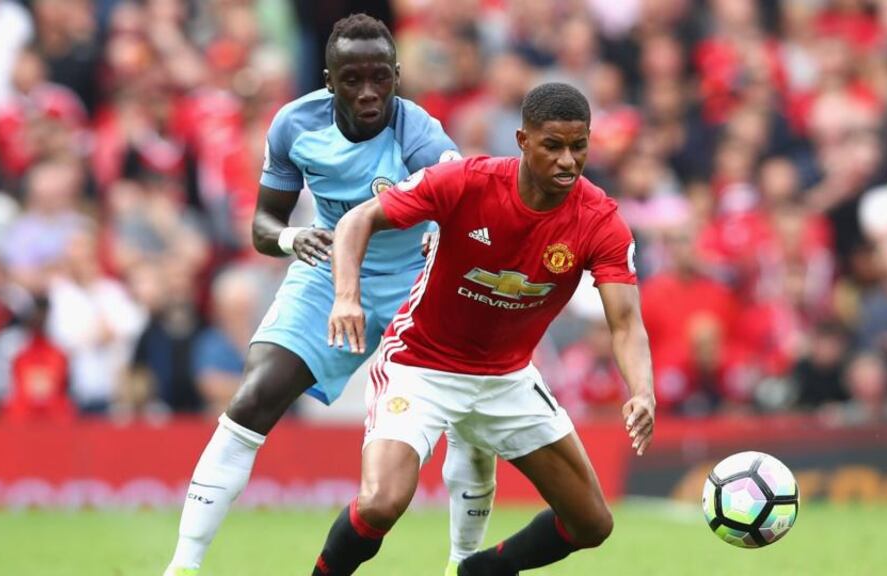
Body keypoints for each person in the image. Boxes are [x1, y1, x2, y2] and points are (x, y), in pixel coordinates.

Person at [164, 14, 497, 576]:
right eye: (352, 79)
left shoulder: (421, 135)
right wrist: (293, 238)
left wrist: (444, 237)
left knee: (474, 424)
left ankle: (461, 563)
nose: (368, 92)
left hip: (421, 280)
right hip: (329, 270)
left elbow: (467, 208)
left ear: (396, 76)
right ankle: (183, 566)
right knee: (254, 397)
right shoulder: (294, 125)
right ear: (328, 80)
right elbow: (264, 225)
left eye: (380, 77)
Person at [316, 82, 656, 575]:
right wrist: (346, 296)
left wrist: (641, 390)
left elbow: (624, 323)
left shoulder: (599, 220)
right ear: (522, 140)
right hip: (421, 364)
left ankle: (478, 572)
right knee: (380, 503)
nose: (568, 161)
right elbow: (357, 220)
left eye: (579, 146)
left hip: (507, 377)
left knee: (591, 523)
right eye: (553, 146)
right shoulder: (466, 182)